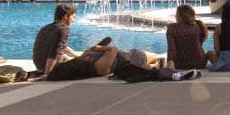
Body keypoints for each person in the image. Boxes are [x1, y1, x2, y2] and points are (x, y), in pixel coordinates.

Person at [46, 44, 195, 81]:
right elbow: (113, 50)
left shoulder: (83, 60)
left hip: (125, 55)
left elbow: (91, 49)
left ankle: (159, 62)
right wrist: (100, 47)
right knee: (155, 56)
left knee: (155, 59)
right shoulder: (99, 68)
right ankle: (165, 60)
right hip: (130, 56)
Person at [31, 4, 81, 79]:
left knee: (71, 58)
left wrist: (76, 55)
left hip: (39, 64)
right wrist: (47, 74)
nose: (73, 20)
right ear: (66, 16)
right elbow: (54, 52)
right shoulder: (64, 29)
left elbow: (61, 46)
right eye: (73, 17)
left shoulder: (46, 28)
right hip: (50, 66)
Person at [166, 4, 213, 70]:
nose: (175, 15)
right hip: (200, 63)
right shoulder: (197, 26)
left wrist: (168, 68)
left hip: (181, 65)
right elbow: (198, 46)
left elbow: (172, 49)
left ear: (181, 15)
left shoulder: (172, 27)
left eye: (176, 13)